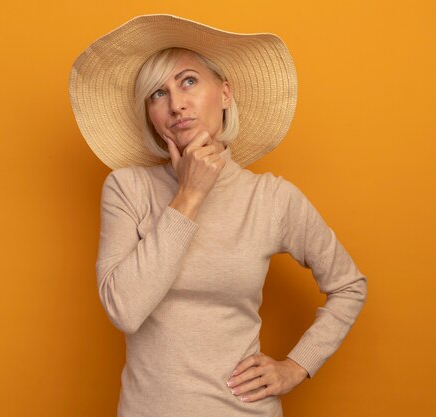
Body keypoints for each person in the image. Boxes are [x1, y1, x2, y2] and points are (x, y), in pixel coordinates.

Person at [69, 14, 367, 417]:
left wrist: (297, 366)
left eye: (188, 81)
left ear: (224, 94)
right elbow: (124, 309)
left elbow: (350, 286)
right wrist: (189, 194)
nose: (176, 104)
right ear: (152, 118)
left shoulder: (270, 198)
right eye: (158, 94)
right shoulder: (127, 189)